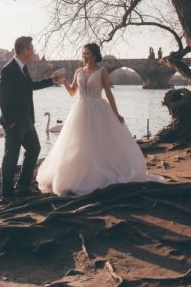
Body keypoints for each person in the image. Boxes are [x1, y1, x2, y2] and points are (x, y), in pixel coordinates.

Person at [36, 43, 155, 197]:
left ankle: (100, 173)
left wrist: (116, 113)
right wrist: (64, 82)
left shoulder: (102, 71)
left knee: (98, 142)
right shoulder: (78, 71)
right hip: (81, 110)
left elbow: (109, 93)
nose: (84, 56)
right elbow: (72, 92)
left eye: (87, 53)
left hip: (99, 109)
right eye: (83, 53)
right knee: (79, 143)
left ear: (94, 55)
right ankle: (80, 174)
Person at [0, 36, 63, 200]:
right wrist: (10, 122)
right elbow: (2, 98)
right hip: (14, 123)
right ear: (25, 50)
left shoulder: (24, 68)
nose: (33, 51)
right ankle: (7, 193)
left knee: (34, 149)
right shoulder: (8, 69)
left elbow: (30, 86)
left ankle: (23, 185)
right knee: (11, 157)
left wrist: (51, 81)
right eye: (31, 48)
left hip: (27, 121)